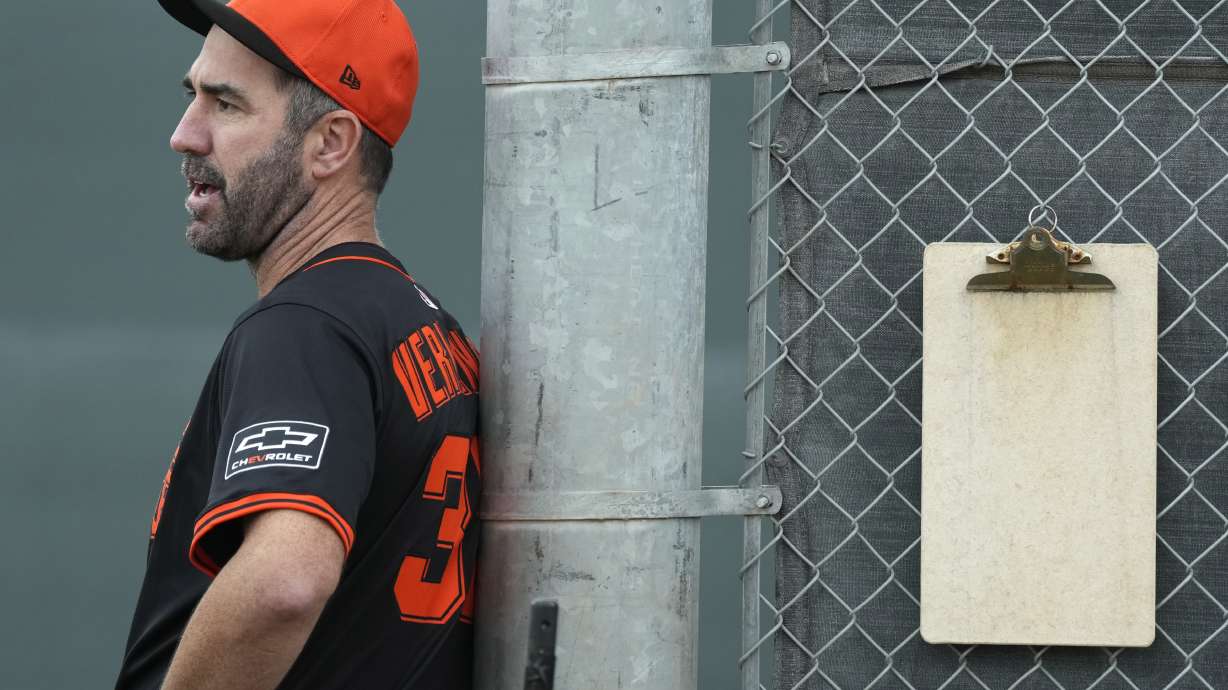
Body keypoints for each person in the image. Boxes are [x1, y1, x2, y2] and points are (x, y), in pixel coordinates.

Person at [115, 1, 481, 688]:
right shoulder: (425, 329)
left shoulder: (307, 324)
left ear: (331, 143)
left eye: (225, 105)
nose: (184, 135)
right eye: (191, 96)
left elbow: (285, 580)